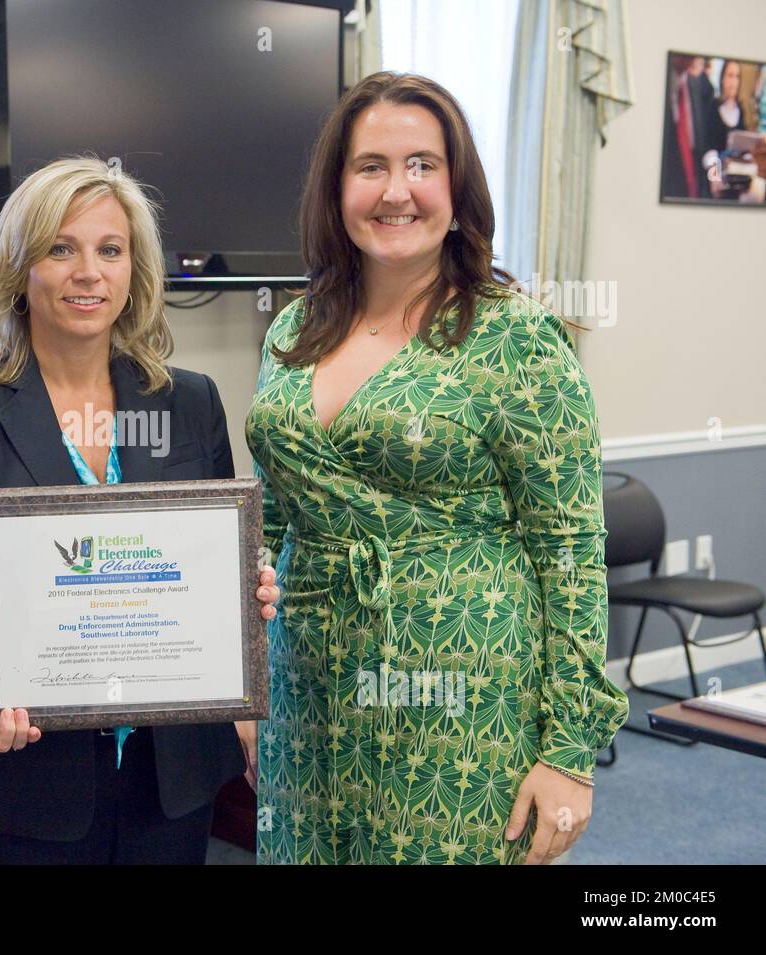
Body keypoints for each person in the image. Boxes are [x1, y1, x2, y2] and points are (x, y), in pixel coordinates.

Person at [245, 72, 628, 865]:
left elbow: (572, 555)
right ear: (337, 187)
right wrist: (242, 680)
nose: (397, 191)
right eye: (371, 166)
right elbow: (271, 517)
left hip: (459, 694)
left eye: (423, 164)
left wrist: (568, 753)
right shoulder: (293, 326)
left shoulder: (514, 338)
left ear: (458, 187)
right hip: (306, 689)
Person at [0, 156, 278, 864]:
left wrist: (243, 591)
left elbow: (216, 565)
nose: (88, 271)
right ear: (20, 269)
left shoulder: (189, 402)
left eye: (110, 250)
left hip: (167, 781)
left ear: (135, 270)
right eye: (60, 248)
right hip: (18, 776)